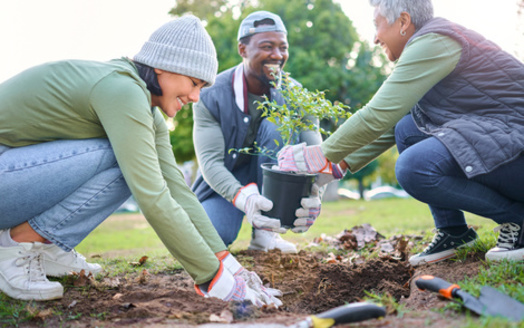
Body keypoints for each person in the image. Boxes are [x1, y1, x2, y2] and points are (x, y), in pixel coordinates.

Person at [0, 15, 282, 307]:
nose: (197, 97)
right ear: (163, 66)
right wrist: (215, 280)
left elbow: (176, 189)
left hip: (14, 176)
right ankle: (16, 246)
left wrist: (229, 265)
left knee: (136, 159)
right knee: (128, 160)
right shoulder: (122, 91)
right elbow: (153, 196)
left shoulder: (147, 109)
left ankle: (46, 246)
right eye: (194, 83)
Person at [277, 0, 524, 265]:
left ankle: (517, 218)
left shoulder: (434, 42)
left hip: (515, 144)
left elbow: (378, 114)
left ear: (404, 22)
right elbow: (395, 122)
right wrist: (335, 166)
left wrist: (319, 153)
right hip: (503, 142)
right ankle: (454, 232)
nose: (374, 38)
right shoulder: (426, 52)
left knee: (415, 168)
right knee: (408, 128)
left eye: (377, 25)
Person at [191, 11, 323, 253]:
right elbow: (209, 163)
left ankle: (266, 234)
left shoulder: (297, 95)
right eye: (267, 46)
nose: (277, 55)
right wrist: (245, 198)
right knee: (210, 237)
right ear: (243, 49)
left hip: (275, 178)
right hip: (227, 181)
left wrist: (316, 191)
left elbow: (316, 153)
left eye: (283, 47)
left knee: (276, 124)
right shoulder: (211, 94)